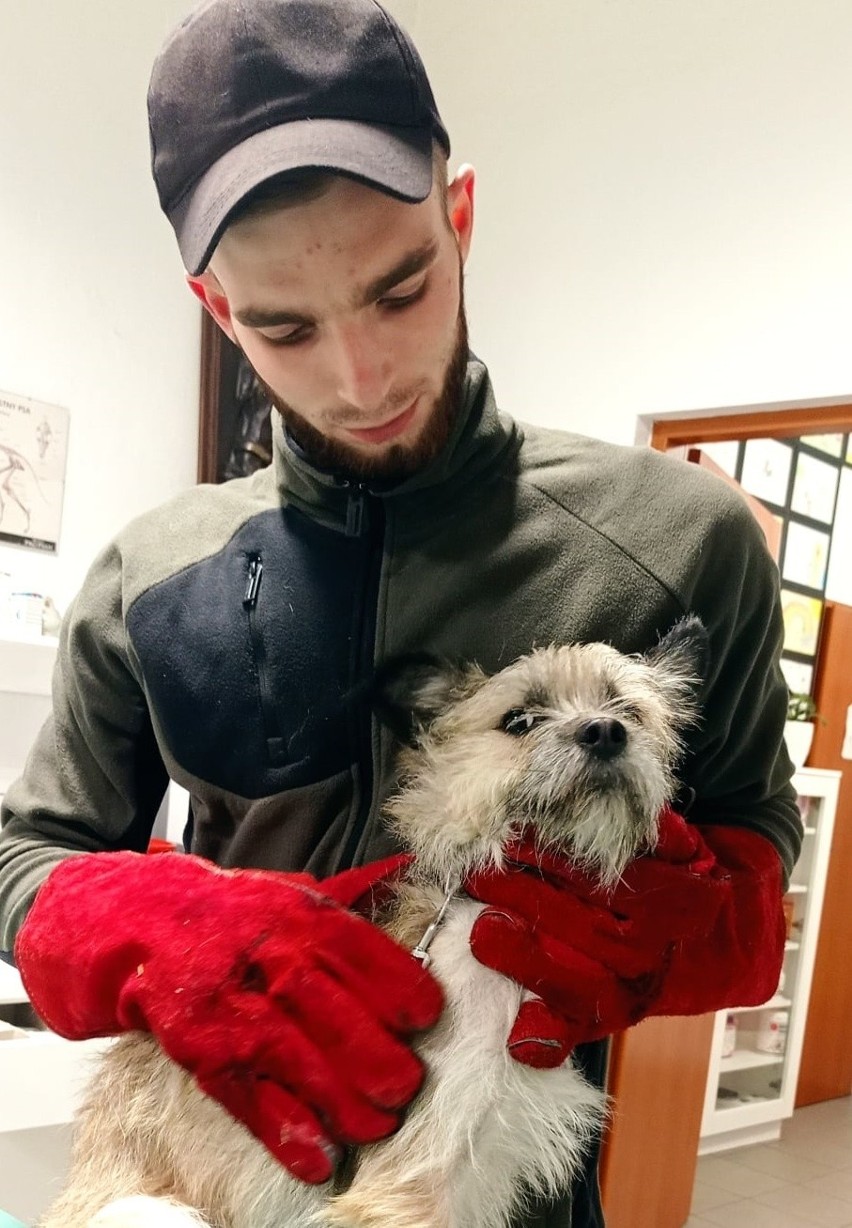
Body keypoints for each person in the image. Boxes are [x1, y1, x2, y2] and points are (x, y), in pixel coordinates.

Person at [0, 1, 802, 1224]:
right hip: (214, 1182)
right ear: (217, 309)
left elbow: (753, 846)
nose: (358, 377)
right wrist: (152, 923)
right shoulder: (145, 575)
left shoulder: (680, 537)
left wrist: (681, 921)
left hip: (498, 1183)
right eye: (284, 325)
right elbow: (23, 857)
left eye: (401, 287)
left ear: (459, 216)